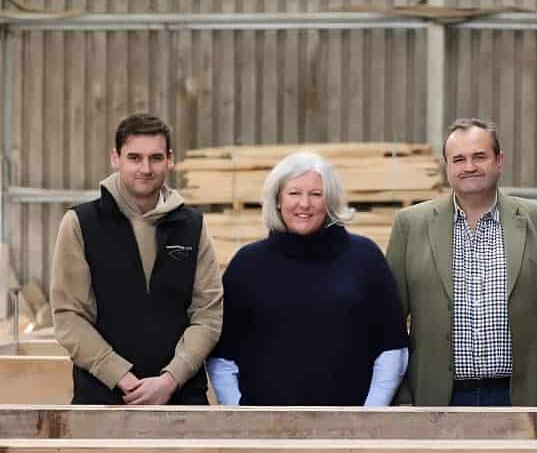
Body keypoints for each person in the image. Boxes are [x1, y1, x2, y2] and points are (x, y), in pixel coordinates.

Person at [385, 117, 537, 406]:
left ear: (499, 160)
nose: (469, 167)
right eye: (459, 159)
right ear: (446, 166)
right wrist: (401, 395)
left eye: (480, 156)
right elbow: (389, 321)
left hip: (523, 395)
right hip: (435, 397)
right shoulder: (410, 225)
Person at [207, 152, 409, 406]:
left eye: (316, 194)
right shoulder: (246, 264)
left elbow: (392, 348)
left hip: (350, 423)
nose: (304, 204)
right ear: (277, 200)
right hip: (265, 425)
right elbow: (222, 357)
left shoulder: (366, 258)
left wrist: (369, 415)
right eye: (294, 193)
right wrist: (239, 412)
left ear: (330, 201)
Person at [51, 113, 222, 405]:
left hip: (182, 399)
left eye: (156, 158)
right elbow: (69, 316)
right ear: (115, 158)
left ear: (170, 160)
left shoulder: (193, 225)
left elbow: (208, 314)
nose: (146, 168)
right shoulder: (81, 223)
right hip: (102, 400)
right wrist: (120, 377)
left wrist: (171, 379)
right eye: (134, 158)